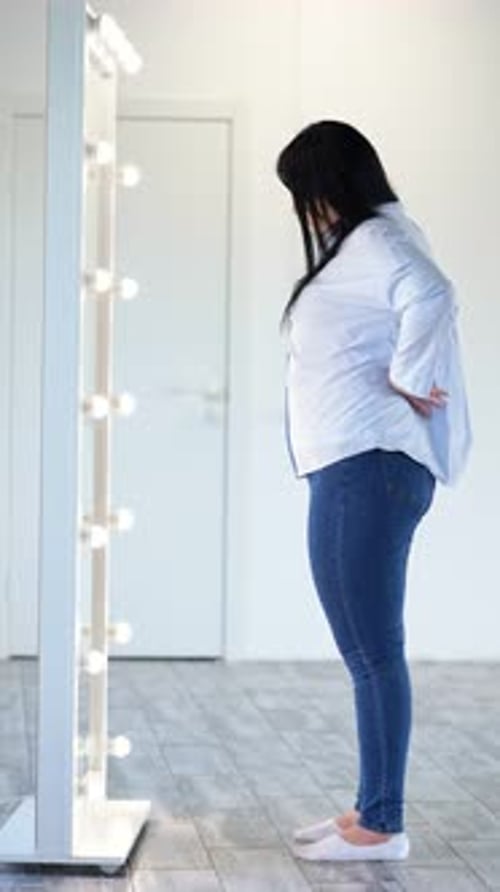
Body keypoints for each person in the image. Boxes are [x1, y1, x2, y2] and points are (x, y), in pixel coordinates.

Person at [276, 120, 472, 862]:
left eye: (305, 192)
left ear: (330, 185)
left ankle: (382, 825)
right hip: (356, 465)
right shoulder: (366, 244)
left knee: (372, 653)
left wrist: (409, 377)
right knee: (367, 650)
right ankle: (369, 807)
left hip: (369, 466)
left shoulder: (381, 244)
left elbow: (434, 292)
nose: (306, 209)